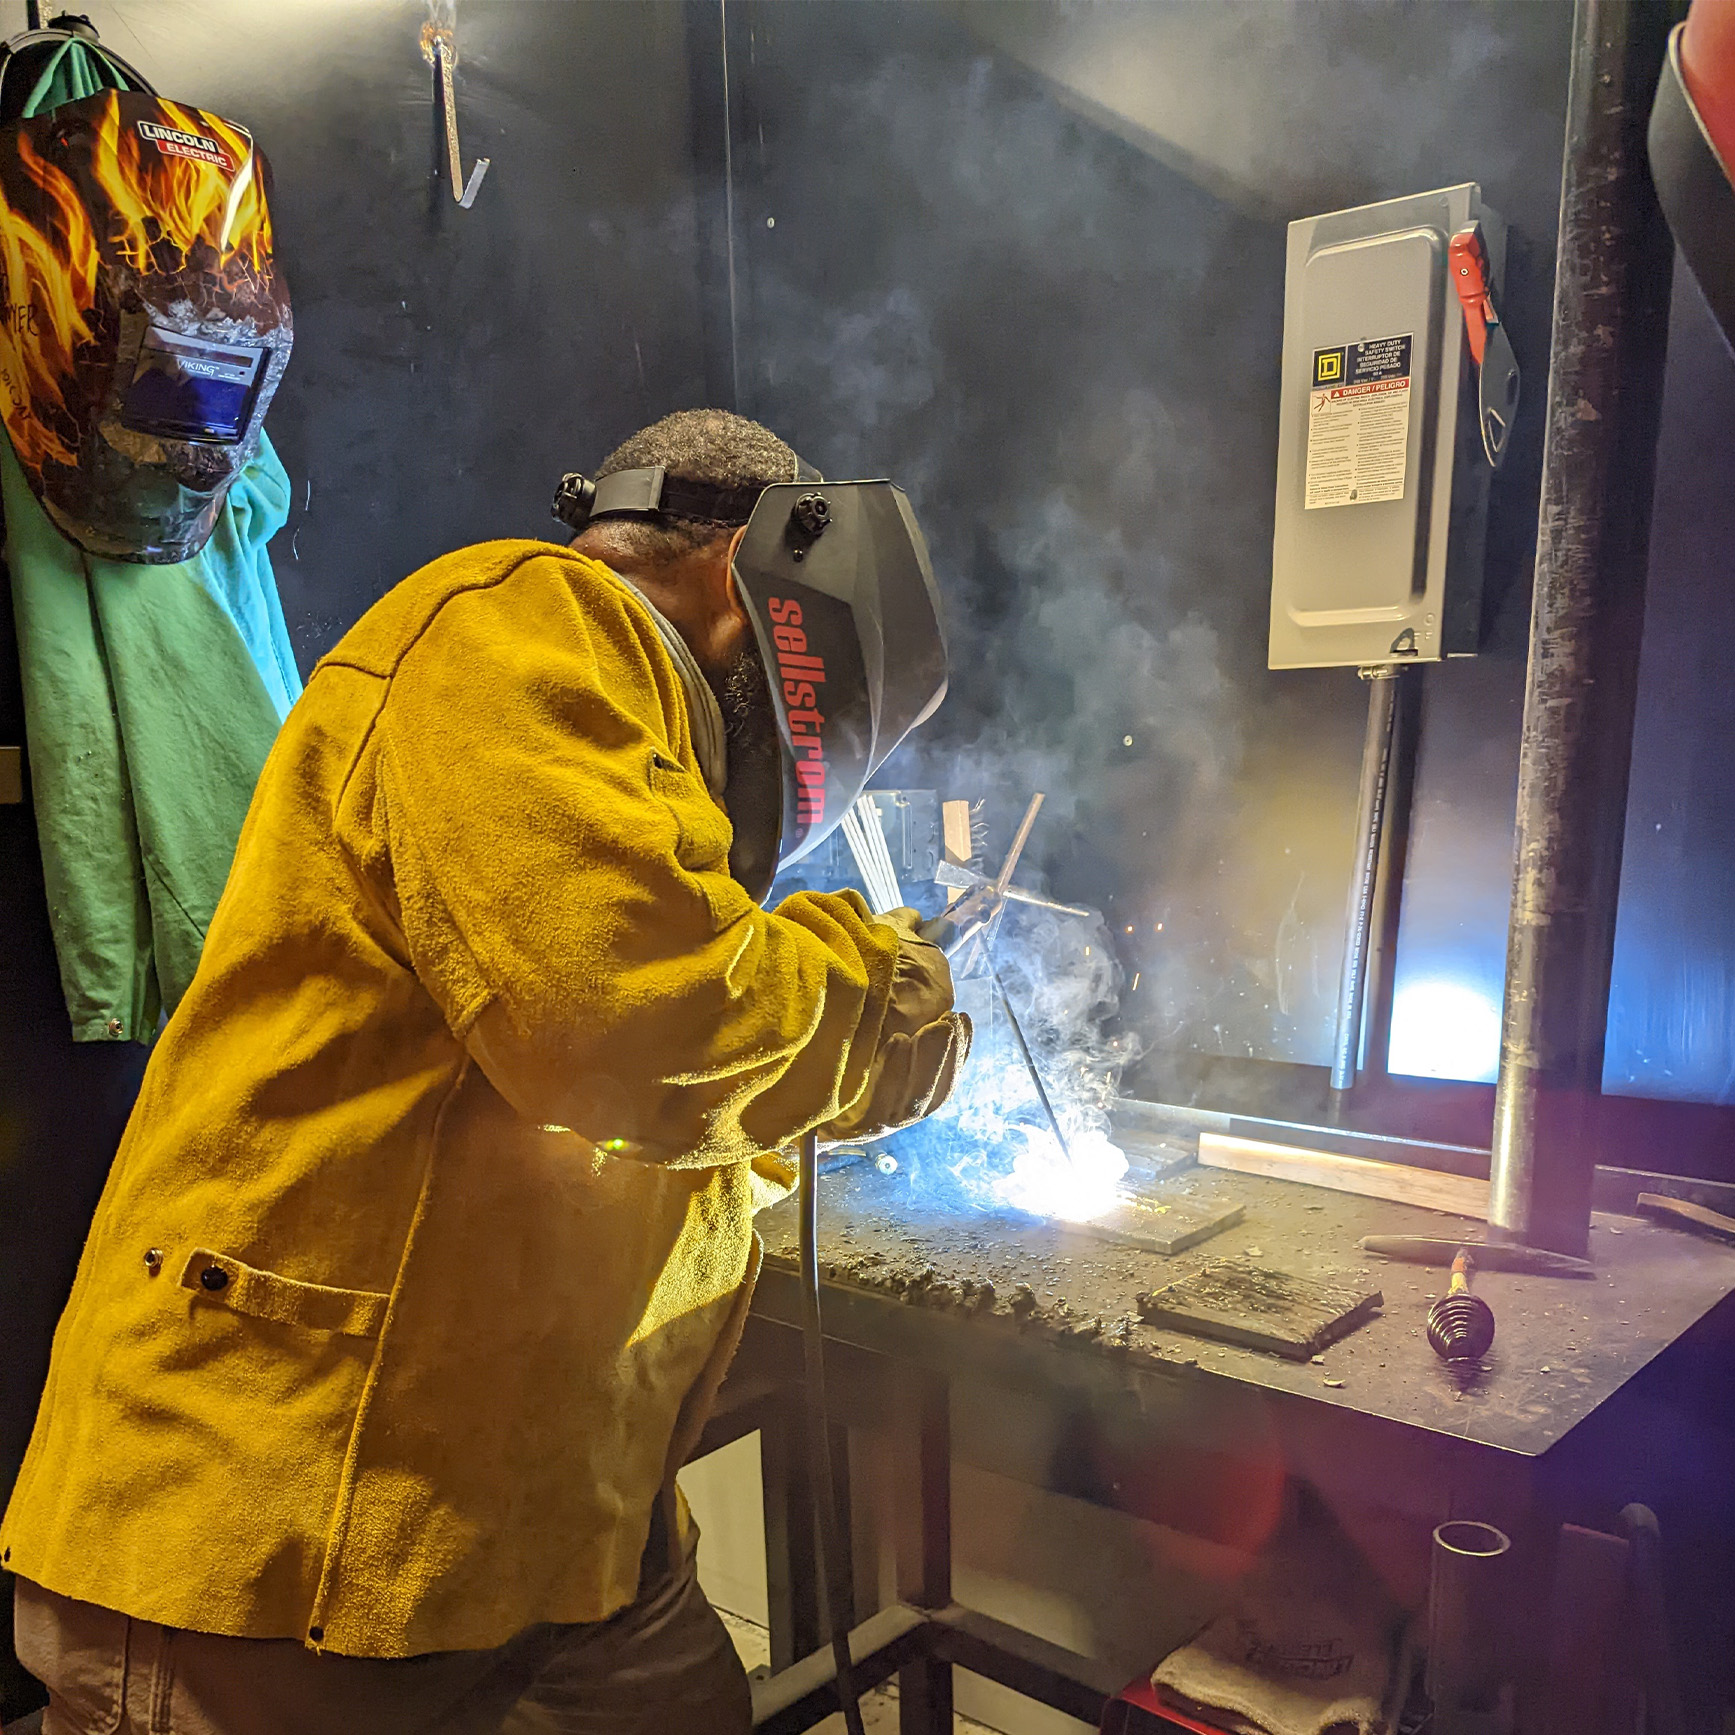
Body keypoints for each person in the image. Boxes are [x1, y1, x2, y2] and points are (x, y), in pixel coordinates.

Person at [1, 409, 969, 1734]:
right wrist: (892, 1003)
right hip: (288, 1550)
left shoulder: (626, 764)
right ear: (750, 577)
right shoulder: (527, 626)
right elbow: (638, 1030)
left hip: (543, 1540)